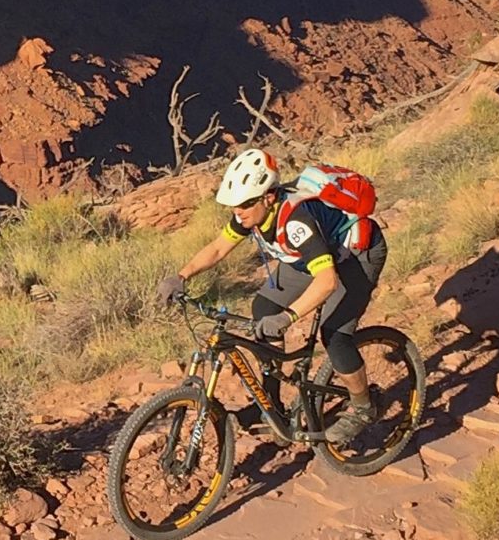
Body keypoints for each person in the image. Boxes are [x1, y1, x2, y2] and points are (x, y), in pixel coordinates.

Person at [155, 147, 390, 442]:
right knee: (264, 308)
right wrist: (180, 276)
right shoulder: (248, 215)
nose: (237, 213)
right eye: (234, 206)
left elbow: (327, 281)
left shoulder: (296, 222)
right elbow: (217, 248)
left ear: (268, 197)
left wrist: (288, 317)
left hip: (356, 255)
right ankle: (271, 406)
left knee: (335, 336)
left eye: (244, 205)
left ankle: (364, 408)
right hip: (307, 259)